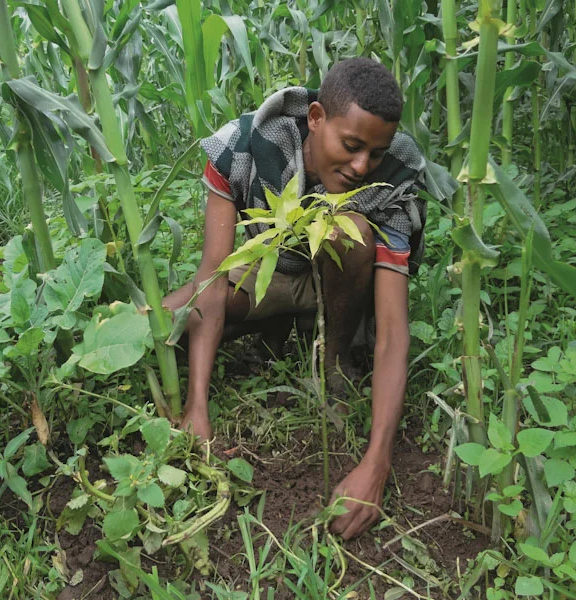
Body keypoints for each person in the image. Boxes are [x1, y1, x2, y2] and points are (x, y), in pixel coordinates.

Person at [164, 57, 428, 540]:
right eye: (350, 146)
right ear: (315, 118)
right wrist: (196, 408)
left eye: (375, 151)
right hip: (264, 271)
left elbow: (393, 333)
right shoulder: (241, 147)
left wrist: (377, 464)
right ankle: (276, 328)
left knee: (352, 233)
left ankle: (333, 361)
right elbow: (211, 282)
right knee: (163, 319)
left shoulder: (395, 177)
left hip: (345, 285)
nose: (361, 166)